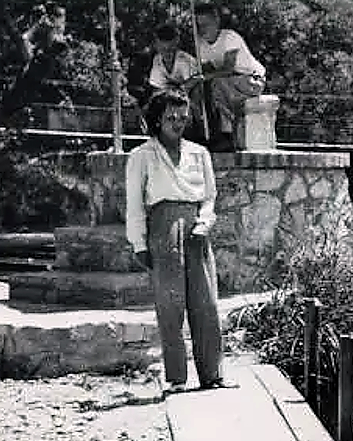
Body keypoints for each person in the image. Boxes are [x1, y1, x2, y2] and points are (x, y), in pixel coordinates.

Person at [125, 89, 234, 394]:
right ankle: (176, 378)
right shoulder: (141, 156)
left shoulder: (199, 153)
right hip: (163, 229)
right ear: (157, 120)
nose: (177, 123)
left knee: (206, 303)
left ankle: (212, 374)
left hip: (196, 231)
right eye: (171, 117)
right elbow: (135, 204)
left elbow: (209, 197)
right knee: (170, 306)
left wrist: (204, 224)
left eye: (183, 118)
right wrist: (139, 244)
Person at [193, 3, 265, 151]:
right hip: (229, 84)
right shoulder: (201, 44)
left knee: (217, 84)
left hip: (251, 80)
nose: (202, 29)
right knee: (201, 90)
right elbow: (207, 72)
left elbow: (228, 69)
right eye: (199, 26)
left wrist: (202, 78)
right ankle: (205, 133)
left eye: (206, 24)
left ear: (217, 21)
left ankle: (227, 136)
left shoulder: (229, 37)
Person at [146, 24, 206, 139]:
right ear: (157, 46)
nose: (167, 53)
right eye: (163, 50)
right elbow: (158, 87)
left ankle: (195, 130)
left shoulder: (184, 60)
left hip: (192, 94)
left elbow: (191, 84)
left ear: (176, 45)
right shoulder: (157, 60)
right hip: (174, 93)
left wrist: (172, 92)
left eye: (170, 50)